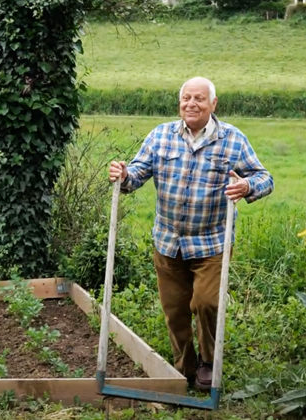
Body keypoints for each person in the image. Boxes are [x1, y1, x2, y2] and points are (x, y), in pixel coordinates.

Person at [109, 77, 274, 390]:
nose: (191, 104)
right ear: (179, 103)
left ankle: (210, 361)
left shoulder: (233, 140)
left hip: (211, 242)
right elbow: (137, 173)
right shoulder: (161, 136)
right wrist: (124, 174)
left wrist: (247, 185)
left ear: (213, 104)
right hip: (168, 242)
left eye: (199, 98)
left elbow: (265, 177)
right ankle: (184, 368)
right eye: (186, 98)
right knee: (175, 311)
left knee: (207, 303)